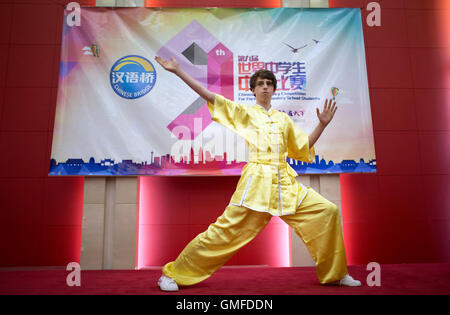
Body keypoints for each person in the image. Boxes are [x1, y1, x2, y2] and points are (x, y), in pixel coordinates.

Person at [154, 56, 361, 291]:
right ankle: (173, 274)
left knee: (328, 211)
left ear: (273, 89)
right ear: (252, 90)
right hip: (256, 186)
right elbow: (210, 97)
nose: (265, 87)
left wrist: (322, 124)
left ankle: (335, 274)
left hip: (285, 184)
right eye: (260, 83)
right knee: (222, 233)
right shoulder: (245, 113)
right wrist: (179, 71)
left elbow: (302, 147)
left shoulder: (283, 119)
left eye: (269, 84)